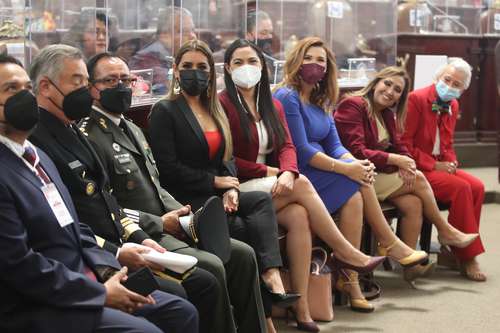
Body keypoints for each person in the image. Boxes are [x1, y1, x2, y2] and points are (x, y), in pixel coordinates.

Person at [0, 53, 198, 333]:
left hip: (86, 271)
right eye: (11, 89)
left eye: (26, 89)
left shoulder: (36, 156)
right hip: (40, 301)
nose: (23, 97)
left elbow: (72, 224)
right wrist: (100, 293)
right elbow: (19, 265)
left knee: (180, 311)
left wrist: (108, 266)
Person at [81, 51, 268, 333]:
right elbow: (108, 206)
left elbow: (155, 185)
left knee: (244, 255)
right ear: (91, 88)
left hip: (171, 221)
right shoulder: (90, 135)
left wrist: (184, 214)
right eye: (110, 80)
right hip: (140, 232)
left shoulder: (131, 127)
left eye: (125, 79)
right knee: (213, 266)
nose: (120, 86)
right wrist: (159, 222)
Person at [219, 38, 385, 331]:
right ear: (227, 68)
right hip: (239, 186)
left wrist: (287, 171)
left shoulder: (270, 103)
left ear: (263, 66)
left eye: (253, 62)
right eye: (238, 62)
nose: (247, 68)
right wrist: (277, 170)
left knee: (299, 216)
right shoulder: (222, 104)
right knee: (304, 184)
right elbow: (228, 159)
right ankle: (345, 252)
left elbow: (287, 146)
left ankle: (302, 306)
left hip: (272, 184)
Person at [149, 39, 299, 333]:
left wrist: (229, 186)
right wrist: (214, 181)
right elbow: (167, 170)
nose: (195, 72)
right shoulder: (165, 110)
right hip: (190, 201)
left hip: (217, 195)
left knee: (258, 202)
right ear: (176, 72)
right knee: (244, 233)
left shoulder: (214, 107)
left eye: (202, 67)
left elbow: (227, 157)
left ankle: (271, 274)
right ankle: (264, 317)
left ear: (211, 72)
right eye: (188, 67)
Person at [274, 37, 429, 312]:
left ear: (328, 67)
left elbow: (335, 144)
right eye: (308, 57)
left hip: (324, 170)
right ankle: (389, 243)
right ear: (297, 60)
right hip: (299, 172)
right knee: (355, 178)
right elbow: (301, 149)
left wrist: (355, 162)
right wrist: (347, 168)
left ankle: (351, 280)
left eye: (320, 60)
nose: (314, 64)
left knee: (357, 190)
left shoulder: (322, 99)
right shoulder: (288, 96)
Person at [334, 66, 479, 284]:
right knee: (421, 179)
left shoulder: (387, 114)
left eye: (397, 90)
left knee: (413, 203)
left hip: (379, 173)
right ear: (376, 82)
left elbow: (400, 146)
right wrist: (397, 161)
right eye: (387, 84)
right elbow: (357, 151)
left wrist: (406, 163)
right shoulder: (353, 105)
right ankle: (445, 230)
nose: (390, 91)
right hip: (356, 175)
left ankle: (409, 266)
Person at [401, 58, 486, 282]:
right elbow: (405, 145)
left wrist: (451, 161)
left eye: (456, 84)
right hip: (418, 167)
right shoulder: (416, 99)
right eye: (447, 79)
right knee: (461, 188)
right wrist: (434, 165)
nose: (450, 85)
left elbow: (447, 144)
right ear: (438, 78)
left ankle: (451, 252)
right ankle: (468, 256)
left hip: (439, 165)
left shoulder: (453, 104)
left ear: (463, 90)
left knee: (478, 186)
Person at [129, 6, 197, 95]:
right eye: (184, 31)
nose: (193, 36)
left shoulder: (177, 55)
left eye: (192, 30)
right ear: (164, 34)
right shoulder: (147, 58)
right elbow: (170, 89)